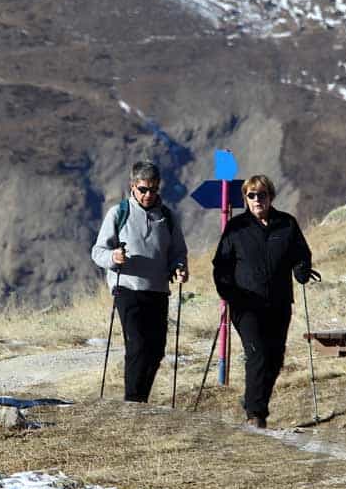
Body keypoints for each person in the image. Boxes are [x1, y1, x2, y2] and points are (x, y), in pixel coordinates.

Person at [212, 174, 317, 428]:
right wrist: (228, 292)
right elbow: (221, 265)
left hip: (279, 302)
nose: (257, 200)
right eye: (251, 195)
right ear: (245, 199)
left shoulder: (286, 224)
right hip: (245, 304)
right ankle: (255, 416)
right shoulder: (236, 228)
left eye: (262, 195)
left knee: (274, 357)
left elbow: (301, 254)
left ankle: (252, 401)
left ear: (271, 197)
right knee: (257, 353)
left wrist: (302, 269)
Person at [92, 160, 189, 402]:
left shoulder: (167, 217)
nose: (148, 195)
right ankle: (132, 401)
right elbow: (98, 252)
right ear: (132, 186)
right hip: (126, 288)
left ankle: (141, 400)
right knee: (137, 346)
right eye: (143, 189)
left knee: (156, 350)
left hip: (157, 290)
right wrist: (114, 257)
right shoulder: (119, 213)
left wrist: (179, 268)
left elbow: (178, 252)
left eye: (153, 189)